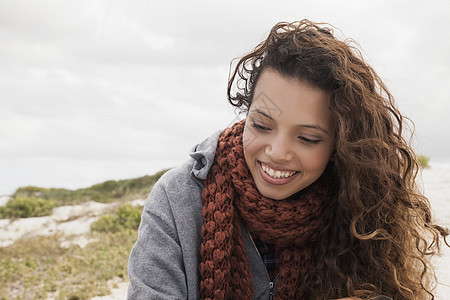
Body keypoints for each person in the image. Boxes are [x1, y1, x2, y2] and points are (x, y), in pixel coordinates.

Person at [127, 19, 448, 299]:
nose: (278, 152)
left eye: (308, 138)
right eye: (261, 125)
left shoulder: (358, 205)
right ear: (246, 112)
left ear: (340, 144)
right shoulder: (176, 199)